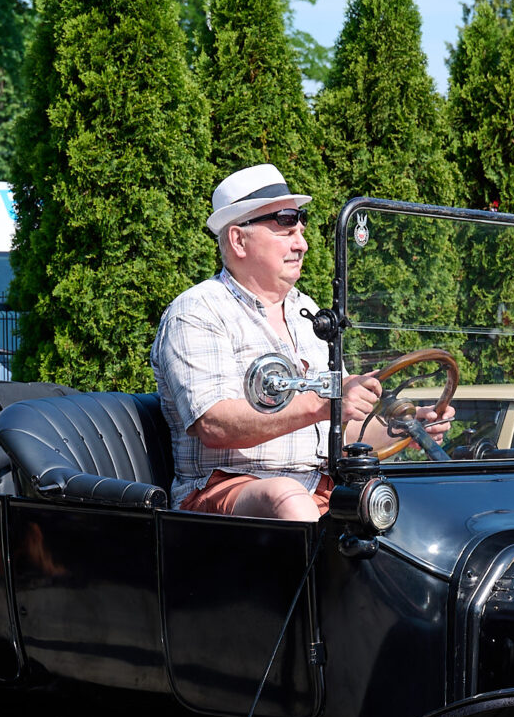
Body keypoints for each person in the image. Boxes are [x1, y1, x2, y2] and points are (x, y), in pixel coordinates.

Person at [149, 163, 449, 519]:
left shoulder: (307, 312)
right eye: (286, 230)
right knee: (288, 498)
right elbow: (214, 424)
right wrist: (322, 404)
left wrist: (408, 429)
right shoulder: (198, 310)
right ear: (238, 240)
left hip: (320, 487)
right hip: (221, 492)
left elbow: (343, 429)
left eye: (301, 231)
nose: (302, 245)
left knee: (415, 506)